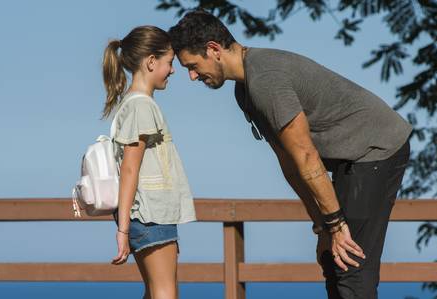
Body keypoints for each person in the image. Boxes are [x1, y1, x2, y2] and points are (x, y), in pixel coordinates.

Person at [168, 10, 411, 299]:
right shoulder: (244, 91)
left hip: (376, 149)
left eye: (193, 66)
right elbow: (291, 164)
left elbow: (306, 155)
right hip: (350, 158)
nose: (192, 76)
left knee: (351, 264)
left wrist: (336, 225)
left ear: (213, 49)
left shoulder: (265, 80)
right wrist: (323, 227)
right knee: (332, 260)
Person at [102, 25, 197, 299]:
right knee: (165, 292)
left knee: (155, 290)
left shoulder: (132, 104)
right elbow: (130, 169)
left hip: (146, 215)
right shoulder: (141, 106)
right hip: (150, 215)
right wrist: (122, 229)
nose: (173, 70)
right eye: (169, 62)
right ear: (151, 62)